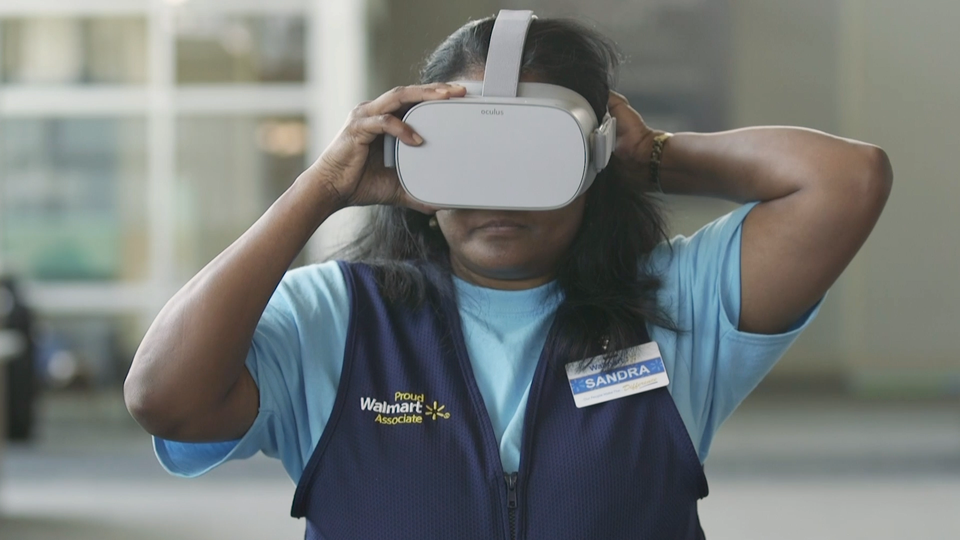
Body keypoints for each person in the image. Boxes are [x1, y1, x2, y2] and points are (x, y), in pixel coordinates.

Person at [124, 14, 892, 540]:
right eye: (467, 159)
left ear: (592, 159)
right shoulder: (334, 316)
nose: (497, 195)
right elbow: (164, 398)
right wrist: (321, 189)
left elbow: (847, 180)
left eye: (535, 160)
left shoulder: (673, 309)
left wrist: (649, 151)